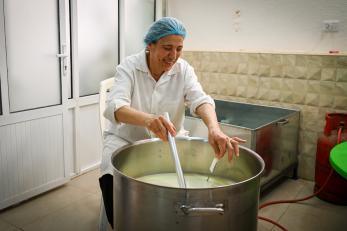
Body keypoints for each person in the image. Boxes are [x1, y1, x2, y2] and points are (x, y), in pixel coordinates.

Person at [99, 17, 245, 228]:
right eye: (167, 48)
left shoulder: (183, 69)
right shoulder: (129, 67)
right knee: (112, 179)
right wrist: (148, 120)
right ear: (150, 45)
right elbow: (115, 107)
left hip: (170, 141)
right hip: (126, 140)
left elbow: (200, 100)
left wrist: (214, 129)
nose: (173, 56)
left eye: (179, 49)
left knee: (179, 192)